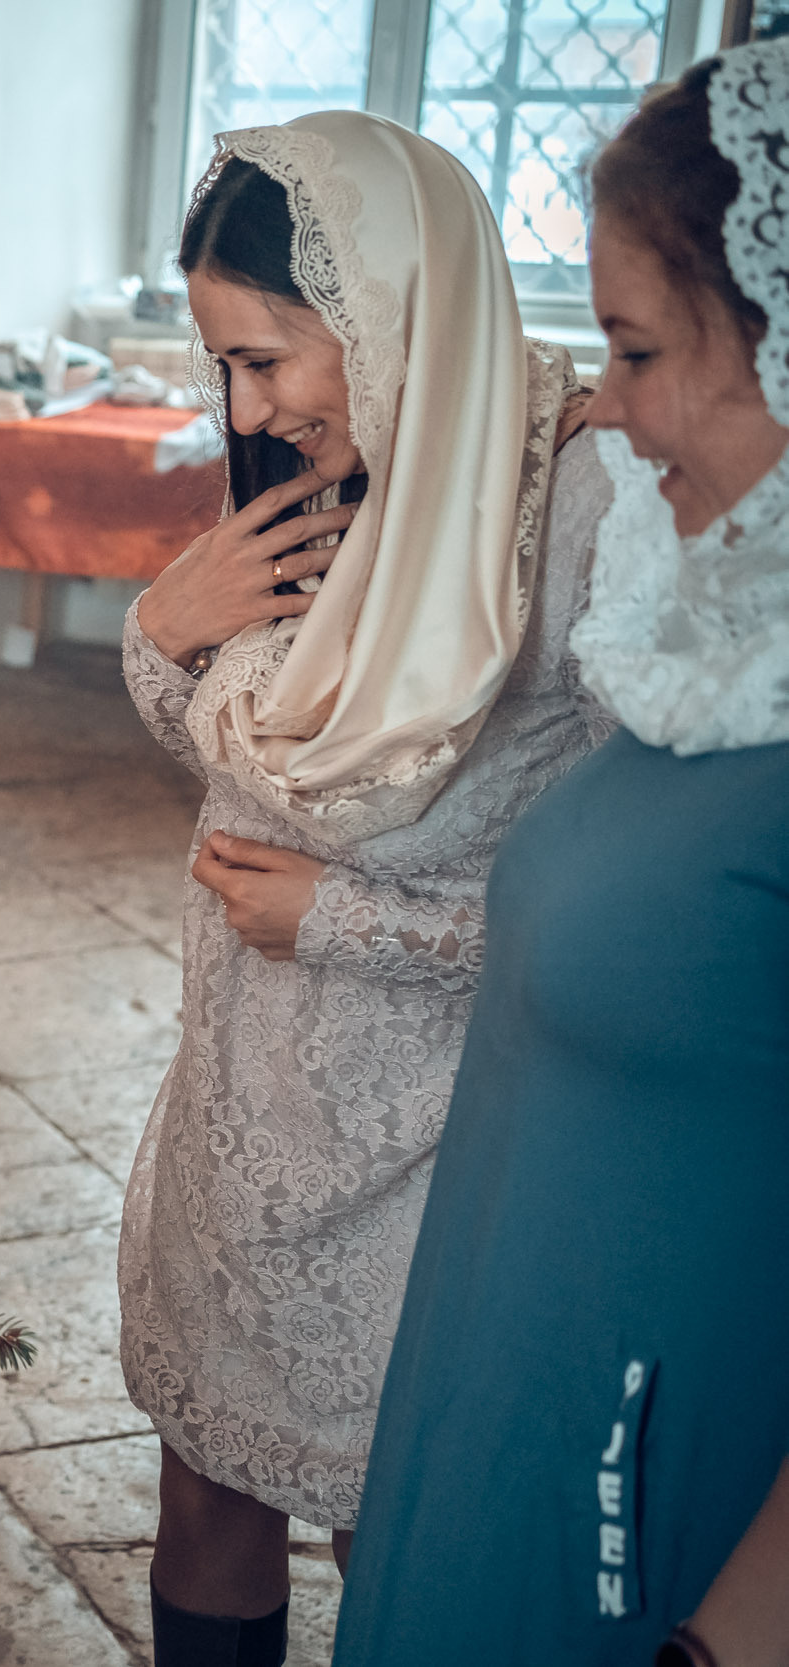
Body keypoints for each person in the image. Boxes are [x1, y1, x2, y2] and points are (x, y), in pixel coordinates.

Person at [117, 112, 609, 1663]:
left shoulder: (583, 508)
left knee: (392, 1521)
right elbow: (249, 756)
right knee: (206, 1489)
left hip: (434, 1132)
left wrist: (347, 922)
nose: (245, 405)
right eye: (229, 366)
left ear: (390, 311)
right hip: (238, 1099)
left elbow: (622, 917)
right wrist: (162, 629)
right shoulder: (328, 471)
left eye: (268, 358)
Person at [335, 48, 789, 1663]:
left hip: (656, 1537)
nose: (604, 403)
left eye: (641, 348)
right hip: (503, 1410)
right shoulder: (722, 643)